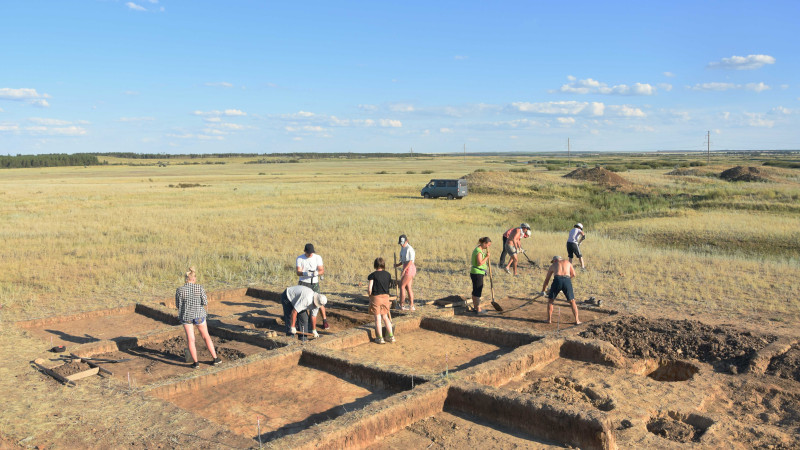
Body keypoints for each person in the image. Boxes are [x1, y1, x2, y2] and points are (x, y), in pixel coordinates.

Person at [175, 267, 222, 368]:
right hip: (199, 315)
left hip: (186, 316)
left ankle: (196, 363)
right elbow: (205, 302)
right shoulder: (199, 287)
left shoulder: (179, 290)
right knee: (206, 337)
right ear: (194, 278)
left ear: (186, 279)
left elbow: (178, 305)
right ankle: (215, 358)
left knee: (191, 340)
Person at [540, 256, 581, 325]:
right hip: (567, 280)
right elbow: (573, 274)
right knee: (572, 301)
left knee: (551, 300)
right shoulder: (568, 262)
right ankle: (577, 320)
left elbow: (546, 280)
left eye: (553, 261)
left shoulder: (553, 265)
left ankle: (549, 319)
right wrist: (566, 281)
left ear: (555, 260)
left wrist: (543, 291)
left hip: (557, 280)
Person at [296, 243, 329, 329]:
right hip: (303, 283)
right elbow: (298, 272)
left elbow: (322, 270)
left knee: (319, 301)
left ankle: (324, 320)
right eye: (309, 252)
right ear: (305, 251)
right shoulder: (300, 258)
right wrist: (305, 273)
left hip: (314, 283)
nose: (310, 254)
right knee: (302, 302)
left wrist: (316, 273)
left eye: (312, 252)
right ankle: (301, 321)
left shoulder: (317, 257)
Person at [367, 257, 395, 344]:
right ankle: (391, 336)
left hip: (376, 297)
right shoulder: (388, 274)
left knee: (377, 319)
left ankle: (380, 338)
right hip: (386, 297)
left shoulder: (372, 275)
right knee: (385, 317)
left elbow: (369, 288)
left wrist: (369, 295)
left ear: (375, 265)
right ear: (383, 265)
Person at [470, 237, 492, 315]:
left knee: (475, 290)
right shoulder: (478, 251)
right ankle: (478, 309)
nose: (488, 247)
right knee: (477, 291)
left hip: (477, 273)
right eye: (488, 245)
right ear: (484, 243)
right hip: (477, 273)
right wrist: (487, 257)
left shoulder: (479, 250)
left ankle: (476, 307)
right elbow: (479, 263)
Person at [394, 234, 417, 311]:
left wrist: (404, 270)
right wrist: (398, 265)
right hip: (406, 267)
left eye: (402, 243)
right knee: (408, 287)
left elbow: (410, 261)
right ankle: (411, 306)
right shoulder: (402, 248)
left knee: (402, 286)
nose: (401, 244)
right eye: (400, 243)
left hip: (409, 268)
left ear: (406, 241)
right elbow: (403, 261)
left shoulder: (410, 249)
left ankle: (402, 305)